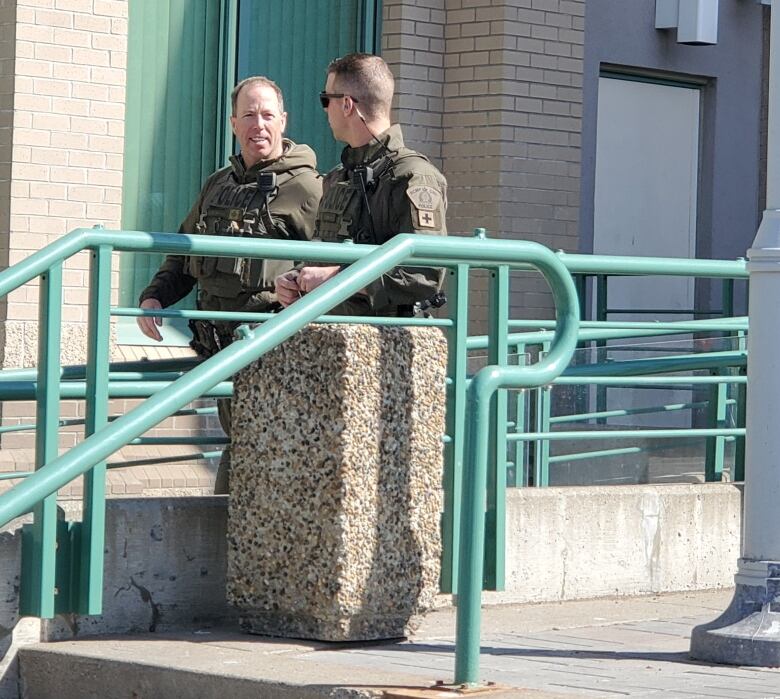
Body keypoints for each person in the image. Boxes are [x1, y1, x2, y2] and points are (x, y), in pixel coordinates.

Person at [137, 76, 322, 493]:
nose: (259, 124)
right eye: (250, 115)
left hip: (271, 351)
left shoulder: (308, 187)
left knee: (258, 457)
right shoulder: (218, 184)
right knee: (241, 449)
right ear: (234, 123)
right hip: (219, 354)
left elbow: (334, 269)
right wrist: (154, 297)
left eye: (268, 115)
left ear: (283, 121)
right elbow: (185, 251)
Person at [275, 53, 446, 316]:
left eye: (325, 100)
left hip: (384, 342)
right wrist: (296, 278)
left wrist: (339, 279)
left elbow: (423, 275)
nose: (324, 110)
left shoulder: (413, 177)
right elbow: (323, 258)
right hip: (328, 334)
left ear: (346, 105)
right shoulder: (338, 177)